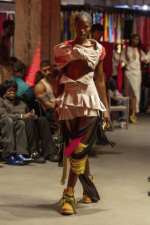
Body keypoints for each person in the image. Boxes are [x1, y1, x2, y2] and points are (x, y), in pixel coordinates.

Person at [54, 12, 109, 215]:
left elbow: (101, 79)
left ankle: (68, 195)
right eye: (80, 26)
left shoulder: (98, 50)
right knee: (71, 148)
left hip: (90, 100)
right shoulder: (62, 49)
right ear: (73, 26)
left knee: (79, 147)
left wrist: (107, 109)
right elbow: (58, 75)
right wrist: (56, 102)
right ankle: (90, 188)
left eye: (86, 26)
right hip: (69, 100)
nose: (83, 30)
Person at [0, 80, 34, 165]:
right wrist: (22, 116)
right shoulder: (1, 101)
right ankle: (8, 154)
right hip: (3, 123)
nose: (12, 92)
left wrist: (31, 115)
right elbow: (4, 115)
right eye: (10, 91)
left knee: (20, 123)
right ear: (4, 92)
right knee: (8, 120)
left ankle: (20, 153)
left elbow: (25, 112)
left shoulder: (20, 101)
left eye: (14, 90)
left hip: (12, 122)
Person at [34, 60, 59, 162]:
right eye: (45, 70)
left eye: (49, 69)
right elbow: (47, 105)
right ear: (41, 71)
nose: (48, 72)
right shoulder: (40, 86)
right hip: (50, 113)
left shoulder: (56, 81)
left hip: (59, 109)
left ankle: (72, 150)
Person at [122, 34, 147, 123]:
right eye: (134, 39)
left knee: (136, 94)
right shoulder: (125, 49)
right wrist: (126, 63)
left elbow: (146, 59)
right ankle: (128, 113)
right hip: (128, 74)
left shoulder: (139, 50)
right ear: (131, 39)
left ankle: (133, 114)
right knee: (128, 93)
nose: (135, 41)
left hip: (137, 74)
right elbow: (122, 60)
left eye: (137, 39)